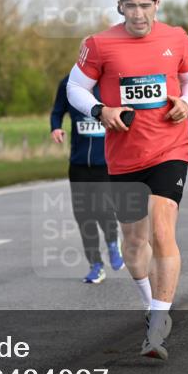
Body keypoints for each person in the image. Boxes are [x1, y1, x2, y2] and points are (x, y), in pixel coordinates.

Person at [66, 0, 188, 360]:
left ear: (156, 5)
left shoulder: (176, 38)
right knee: (134, 242)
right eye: (132, 6)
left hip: (170, 148)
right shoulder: (99, 44)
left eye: (146, 5)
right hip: (124, 155)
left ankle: (158, 324)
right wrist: (101, 109)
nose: (139, 13)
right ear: (120, 7)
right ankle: (149, 301)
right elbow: (74, 88)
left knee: (162, 228)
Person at [50, 74, 123, 284]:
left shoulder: (112, 80)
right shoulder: (68, 83)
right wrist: (55, 127)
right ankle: (96, 265)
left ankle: (112, 243)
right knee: (83, 215)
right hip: (79, 162)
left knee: (102, 208)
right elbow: (57, 112)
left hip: (105, 162)